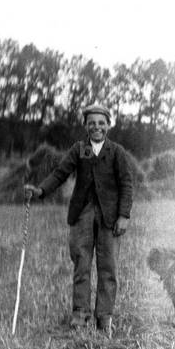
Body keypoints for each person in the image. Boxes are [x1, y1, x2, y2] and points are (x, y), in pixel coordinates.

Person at [24, 104, 133, 334]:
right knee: (81, 264)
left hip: (109, 218)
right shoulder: (79, 149)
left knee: (108, 267)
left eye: (101, 123)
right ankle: (80, 315)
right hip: (81, 214)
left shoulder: (117, 152)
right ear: (86, 126)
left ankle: (104, 318)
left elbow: (126, 184)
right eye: (92, 123)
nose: (97, 127)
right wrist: (41, 191)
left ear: (108, 126)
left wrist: (123, 215)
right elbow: (60, 173)